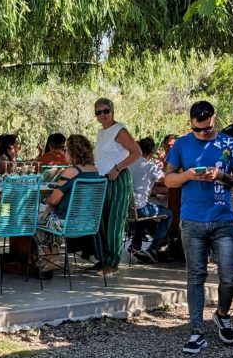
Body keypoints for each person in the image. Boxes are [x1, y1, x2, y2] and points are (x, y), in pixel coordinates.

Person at [164, 100, 233, 354]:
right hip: (192, 219)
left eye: (207, 129)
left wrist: (221, 176)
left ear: (215, 119)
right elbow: (168, 180)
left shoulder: (229, 143)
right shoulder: (181, 145)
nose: (202, 134)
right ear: (191, 124)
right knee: (196, 275)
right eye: (197, 130)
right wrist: (188, 175)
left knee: (230, 274)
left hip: (223, 218)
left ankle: (222, 314)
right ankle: (196, 331)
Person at [35, 134, 103, 269]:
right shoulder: (95, 171)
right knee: (48, 218)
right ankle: (52, 259)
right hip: (88, 222)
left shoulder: (70, 172)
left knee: (33, 220)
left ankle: (51, 258)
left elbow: (54, 200)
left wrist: (45, 200)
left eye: (66, 149)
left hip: (67, 223)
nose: (63, 152)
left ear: (73, 151)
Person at [92, 98, 141, 277]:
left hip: (118, 178)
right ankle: (103, 258)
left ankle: (112, 262)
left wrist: (118, 168)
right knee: (102, 220)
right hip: (103, 179)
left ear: (112, 111)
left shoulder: (119, 130)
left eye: (106, 111)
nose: (102, 115)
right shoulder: (101, 133)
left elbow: (137, 152)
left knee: (115, 220)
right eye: (98, 112)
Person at [129, 137, 173, 263]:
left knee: (142, 210)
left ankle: (135, 245)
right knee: (169, 214)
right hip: (140, 207)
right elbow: (168, 181)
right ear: (152, 152)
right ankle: (153, 249)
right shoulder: (150, 166)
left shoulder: (129, 164)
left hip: (128, 206)